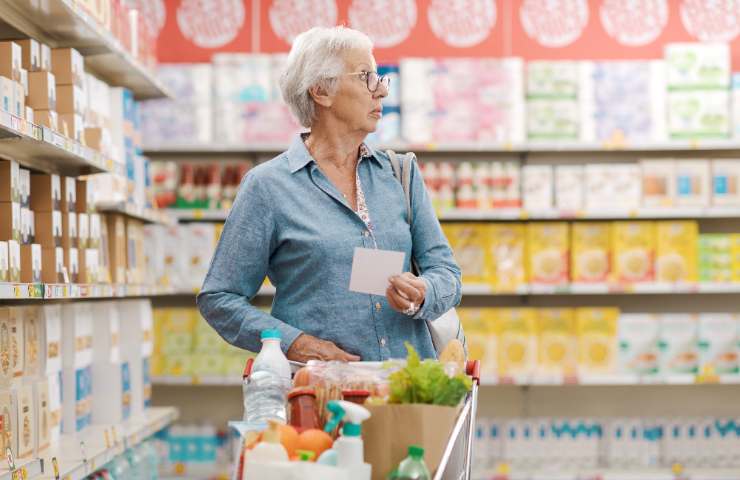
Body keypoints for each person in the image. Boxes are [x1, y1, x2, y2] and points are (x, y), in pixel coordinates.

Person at [197, 26, 461, 362]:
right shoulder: (268, 186)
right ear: (321, 91)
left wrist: (425, 292)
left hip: (405, 390)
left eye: (379, 77)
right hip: (321, 396)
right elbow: (219, 297)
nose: (380, 90)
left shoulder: (400, 174)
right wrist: (294, 343)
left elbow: (447, 274)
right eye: (366, 76)